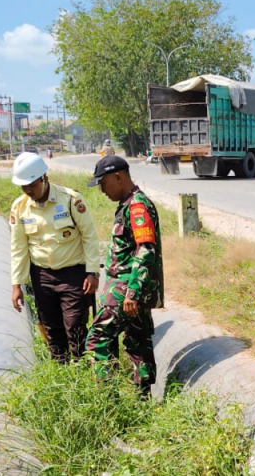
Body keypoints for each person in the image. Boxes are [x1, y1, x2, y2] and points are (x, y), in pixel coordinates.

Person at [9, 152, 100, 363]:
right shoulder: (19, 208)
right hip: (42, 276)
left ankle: (81, 369)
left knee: (75, 325)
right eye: (23, 186)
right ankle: (60, 367)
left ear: (45, 179)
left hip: (73, 274)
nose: (28, 190)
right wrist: (16, 285)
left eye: (32, 184)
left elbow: (90, 237)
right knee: (51, 327)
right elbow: (18, 248)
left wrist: (93, 272)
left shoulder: (70, 200)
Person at [85, 155, 163, 396]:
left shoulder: (137, 206)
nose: (102, 190)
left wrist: (132, 293)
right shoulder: (129, 204)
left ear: (118, 177)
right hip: (129, 290)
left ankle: (107, 399)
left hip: (126, 289)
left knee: (98, 337)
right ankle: (142, 400)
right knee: (137, 341)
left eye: (103, 183)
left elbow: (146, 249)